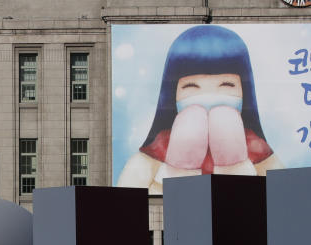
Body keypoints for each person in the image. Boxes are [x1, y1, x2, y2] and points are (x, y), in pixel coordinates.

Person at [116, 25, 283, 193]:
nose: (209, 96)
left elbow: (284, 193)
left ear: (244, 91)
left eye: (226, 85)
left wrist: (235, 164)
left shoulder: (253, 145)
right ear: (172, 93)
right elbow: (127, 195)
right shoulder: (160, 147)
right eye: (191, 86)